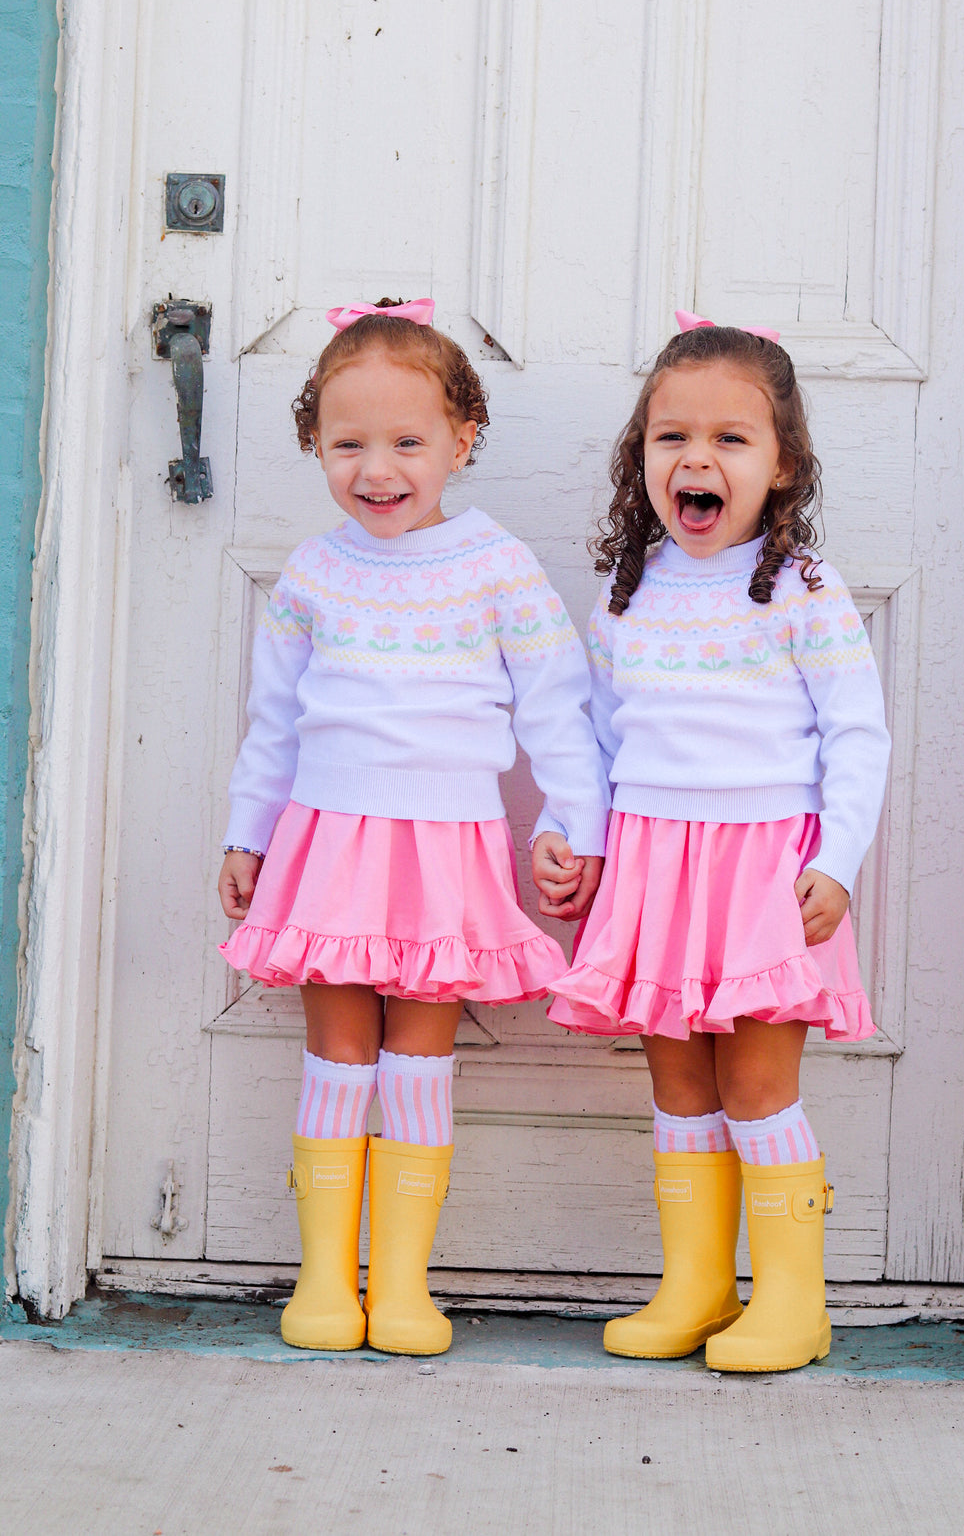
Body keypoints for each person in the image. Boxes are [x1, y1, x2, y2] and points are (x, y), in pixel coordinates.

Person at [218, 299, 608, 1356]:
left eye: (406, 442)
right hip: (327, 839)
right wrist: (247, 833)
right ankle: (321, 1284)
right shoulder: (313, 573)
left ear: (460, 441)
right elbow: (275, 723)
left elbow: (556, 709)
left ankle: (400, 1286)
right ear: (316, 444)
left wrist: (575, 824)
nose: (376, 469)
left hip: (446, 849)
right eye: (347, 444)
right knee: (339, 1053)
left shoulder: (496, 566)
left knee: (419, 1058)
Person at [538, 312, 890, 1372]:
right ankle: (695, 1287)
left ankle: (791, 1300)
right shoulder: (624, 592)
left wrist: (837, 860)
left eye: (731, 440)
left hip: (763, 871)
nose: (696, 458)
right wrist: (574, 838)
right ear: (638, 457)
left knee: (756, 1088)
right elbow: (594, 737)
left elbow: (857, 735)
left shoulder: (803, 591)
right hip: (653, 863)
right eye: (670, 437)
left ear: (783, 469)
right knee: (681, 1088)